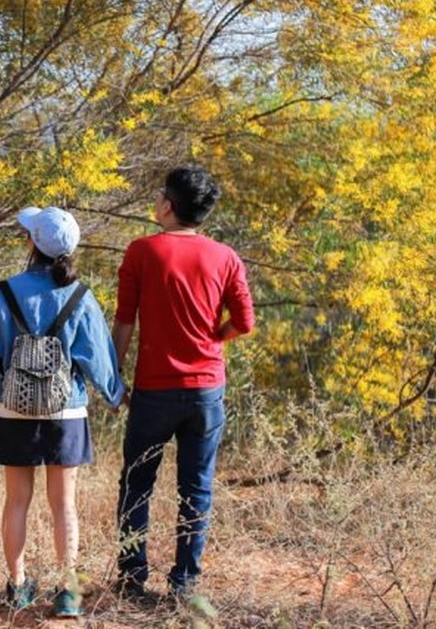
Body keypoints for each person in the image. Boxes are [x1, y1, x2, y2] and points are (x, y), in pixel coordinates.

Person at [0, 206, 126, 617]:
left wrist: (9, 355)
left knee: (16, 501)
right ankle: (68, 591)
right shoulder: (81, 297)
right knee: (64, 504)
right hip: (65, 412)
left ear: (31, 242)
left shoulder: (4, 292)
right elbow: (99, 362)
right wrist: (115, 395)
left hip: (13, 409)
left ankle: (18, 587)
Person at [113, 165, 255, 605]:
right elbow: (245, 322)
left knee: (137, 483)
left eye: (159, 195)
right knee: (196, 488)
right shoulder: (225, 256)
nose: (155, 200)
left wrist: (113, 378)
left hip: (154, 390)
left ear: (169, 207)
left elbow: (124, 322)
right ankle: (184, 584)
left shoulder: (141, 251)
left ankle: (132, 577)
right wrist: (216, 337)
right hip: (206, 390)